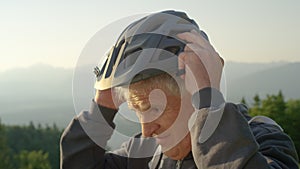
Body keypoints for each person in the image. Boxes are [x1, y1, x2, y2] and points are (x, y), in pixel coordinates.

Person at [60, 10, 299, 169]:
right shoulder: (148, 152)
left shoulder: (264, 139)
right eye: (137, 110)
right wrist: (103, 106)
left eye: (154, 108)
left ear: (193, 94)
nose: (146, 130)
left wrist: (209, 101)